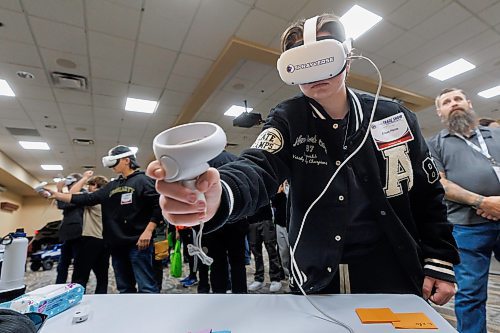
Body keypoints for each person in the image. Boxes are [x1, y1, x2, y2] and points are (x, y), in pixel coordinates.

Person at [147, 12, 458, 304]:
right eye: (301, 60)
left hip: (393, 264)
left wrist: (439, 258)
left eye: (324, 56)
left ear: (347, 58)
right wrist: (218, 195)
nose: (315, 71)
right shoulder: (289, 118)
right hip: (316, 271)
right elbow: (259, 167)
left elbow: (427, 193)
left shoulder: (394, 115)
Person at [427, 88, 500, 333]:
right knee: (470, 294)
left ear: (468, 103)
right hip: (466, 227)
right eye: (446, 102)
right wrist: (483, 202)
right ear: (440, 112)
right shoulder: (434, 144)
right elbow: (441, 183)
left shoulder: (496, 135)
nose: (454, 103)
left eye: (458, 99)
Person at [48, 145, 162, 293]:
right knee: (124, 288)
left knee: (146, 286)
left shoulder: (144, 180)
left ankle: (150, 316)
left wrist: (148, 231)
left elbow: (158, 206)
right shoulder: (112, 186)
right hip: (117, 244)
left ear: (127, 160)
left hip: (139, 243)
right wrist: (57, 195)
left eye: (115, 161)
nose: (111, 167)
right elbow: (88, 198)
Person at [69, 172, 110, 294]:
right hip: (104, 242)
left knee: (79, 277)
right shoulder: (108, 198)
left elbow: (72, 193)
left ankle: (75, 302)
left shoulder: (93, 198)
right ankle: (101, 302)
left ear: (95, 185)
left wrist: (85, 177)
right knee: (102, 278)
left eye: (90, 185)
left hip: (90, 240)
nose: (87, 188)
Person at [54, 173, 84, 284]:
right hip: (67, 233)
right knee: (63, 264)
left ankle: (77, 286)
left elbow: (63, 204)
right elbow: (61, 204)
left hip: (78, 232)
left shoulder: (82, 193)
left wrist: (59, 189)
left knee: (78, 263)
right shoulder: (67, 195)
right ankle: (59, 286)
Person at [247, 203, 282, 292]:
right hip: (252, 220)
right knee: (256, 252)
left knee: (271, 250)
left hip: (266, 219)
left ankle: (275, 279)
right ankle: (259, 279)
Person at [272, 180, 291, 279]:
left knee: (293, 252)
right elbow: (274, 204)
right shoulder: (280, 190)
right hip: (280, 225)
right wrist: (279, 193)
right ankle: (287, 275)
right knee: (283, 252)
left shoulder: (294, 191)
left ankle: (294, 276)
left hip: (291, 226)